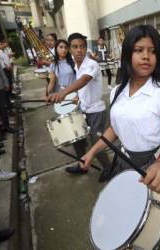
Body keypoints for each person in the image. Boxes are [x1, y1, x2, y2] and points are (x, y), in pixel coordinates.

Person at [79, 25, 160, 216]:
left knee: (151, 217)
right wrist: (92, 152)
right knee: (128, 211)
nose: (146, 56)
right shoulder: (117, 91)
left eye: (152, 52)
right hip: (123, 160)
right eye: (139, 50)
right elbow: (115, 129)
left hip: (152, 163)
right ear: (127, 54)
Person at [46, 33, 112, 183]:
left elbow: (84, 80)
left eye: (82, 46)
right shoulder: (77, 65)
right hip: (83, 109)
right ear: (70, 49)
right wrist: (77, 98)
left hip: (96, 111)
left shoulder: (91, 64)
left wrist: (63, 92)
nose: (79, 50)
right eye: (75, 47)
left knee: (96, 141)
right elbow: (83, 88)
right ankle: (83, 165)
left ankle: (108, 168)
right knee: (78, 140)